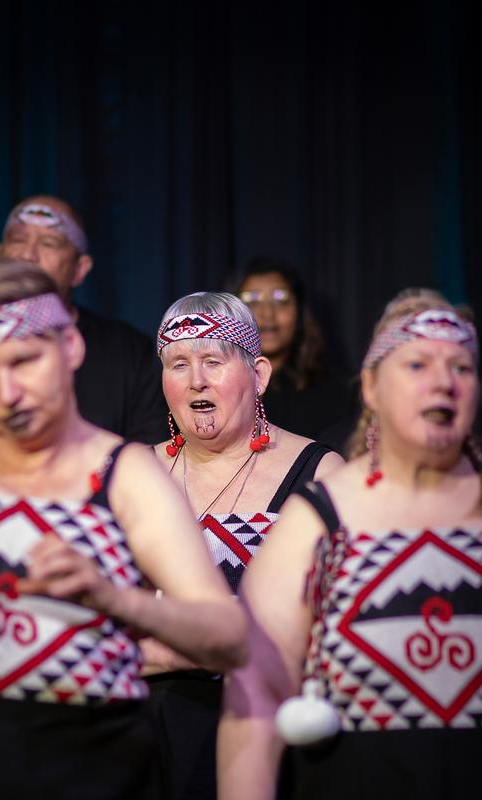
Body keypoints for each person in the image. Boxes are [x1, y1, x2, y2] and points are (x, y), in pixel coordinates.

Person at [0, 260, 247, 800]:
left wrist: (115, 600)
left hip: (94, 767)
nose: (7, 393)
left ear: (70, 346)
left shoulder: (125, 474)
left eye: (24, 361)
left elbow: (228, 638)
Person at [218, 289, 482, 800]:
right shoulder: (318, 520)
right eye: (418, 364)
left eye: (462, 367)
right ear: (371, 387)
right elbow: (256, 698)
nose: (444, 382)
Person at [143, 291, 344, 799]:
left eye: (213, 360)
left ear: (259, 375)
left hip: (269, 736)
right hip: (142, 744)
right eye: (178, 364)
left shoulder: (320, 475)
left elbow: (334, 634)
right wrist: (198, 649)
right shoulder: (131, 476)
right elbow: (88, 635)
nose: (196, 380)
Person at [0, 195, 167, 445]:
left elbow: (151, 451)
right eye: (18, 239)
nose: (28, 254)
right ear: (0, 253)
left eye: (49, 242)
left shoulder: (130, 353)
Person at [227, 257, 355, 445]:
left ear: (300, 311)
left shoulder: (340, 392)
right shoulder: (215, 386)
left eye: (281, 301)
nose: (268, 314)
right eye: (252, 301)